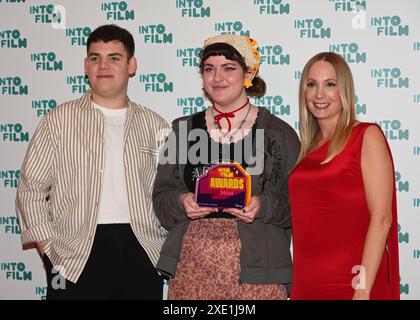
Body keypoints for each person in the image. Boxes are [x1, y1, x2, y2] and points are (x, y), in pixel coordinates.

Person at [15, 24, 169, 299]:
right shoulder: (58, 121)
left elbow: (168, 194)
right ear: (86, 65)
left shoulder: (155, 125)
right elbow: (30, 190)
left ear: (131, 65)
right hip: (72, 259)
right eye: (95, 57)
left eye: (114, 57)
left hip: (141, 254)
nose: (103, 65)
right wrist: (49, 251)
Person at [153, 34, 300, 300]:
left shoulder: (280, 134)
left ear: (248, 73)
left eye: (228, 68)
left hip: (259, 277)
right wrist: (181, 201)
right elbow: (161, 200)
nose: (217, 77)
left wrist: (263, 206)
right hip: (191, 272)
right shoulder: (180, 130)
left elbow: (298, 208)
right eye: (209, 69)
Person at [288, 52, 400, 300]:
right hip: (307, 285)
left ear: (344, 91)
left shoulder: (365, 136)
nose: (319, 94)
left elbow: (382, 219)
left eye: (330, 84)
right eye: (311, 84)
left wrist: (362, 289)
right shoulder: (305, 150)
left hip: (353, 285)